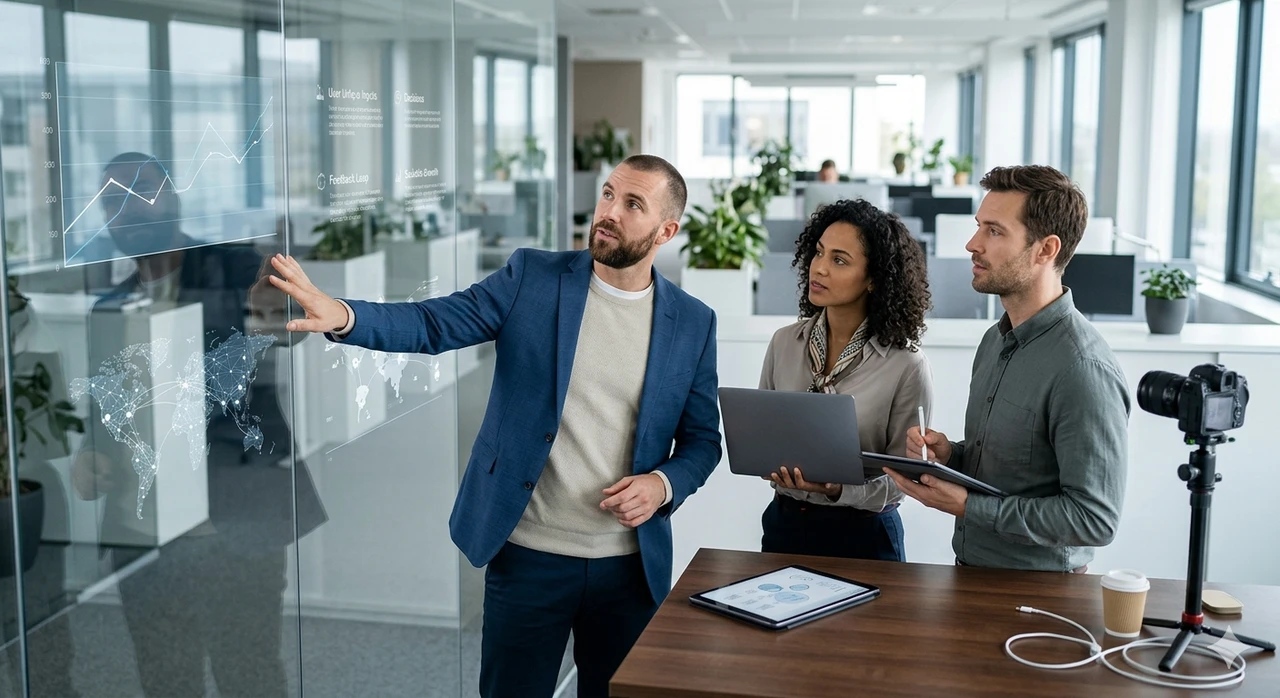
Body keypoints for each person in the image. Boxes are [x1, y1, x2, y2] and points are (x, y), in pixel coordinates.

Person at [267, 154, 722, 698]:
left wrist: (663, 484)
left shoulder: (693, 322)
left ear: (666, 231)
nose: (609, 212)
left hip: (628, 568)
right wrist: (344, 315)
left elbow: (701, 442)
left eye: (632, 204)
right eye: (607, 194)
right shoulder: (532, 277)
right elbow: (435, 322)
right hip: (529, 554)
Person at [72, 152, 325, 697]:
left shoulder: (232, 268)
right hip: (145, 527)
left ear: (174, 197)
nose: (129, 208)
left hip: (233, 515)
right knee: (164, 675)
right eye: (114, 198)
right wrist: (93, 454)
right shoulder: (111, 305)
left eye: (144, 191)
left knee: (247, 671)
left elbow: (285, 326)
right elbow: (110, 406)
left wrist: (273, 312)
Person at [887, 165, 1130, 573]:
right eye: (978, 226)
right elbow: (1011, 470)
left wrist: (967, 505)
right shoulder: (995, 341)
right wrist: (951, 456)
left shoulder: (1083, 368)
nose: (972, 244)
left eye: (994, 231)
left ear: (1045, 250)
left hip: (1041, 593)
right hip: (971, 572)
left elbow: (1095, 519)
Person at [757, 199, 932, 562]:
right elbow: (763, 440)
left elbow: (905, 482)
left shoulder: (906, 365)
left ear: (873, 279)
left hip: (864, 537)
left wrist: (839, 489)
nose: (818, 269)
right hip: (785, 524)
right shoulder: (784, 342)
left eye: (839, 260)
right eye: (818, 253)